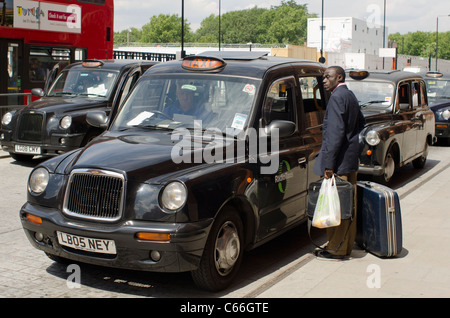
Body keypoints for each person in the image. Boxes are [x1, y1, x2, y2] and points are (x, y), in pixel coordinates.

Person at [313, 66, 366, 260]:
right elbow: (361, 122)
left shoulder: (336, 98)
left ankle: (336, 248)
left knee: (335, 207)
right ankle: (344, 246)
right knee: (347, 207)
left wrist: (329, 165)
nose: (324, 81)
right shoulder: (350, 95)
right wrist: (350, 142)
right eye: (323, 77)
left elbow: (334, 135)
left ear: (339, 77)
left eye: (328, 77)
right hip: (349, 160)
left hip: (338, 164)